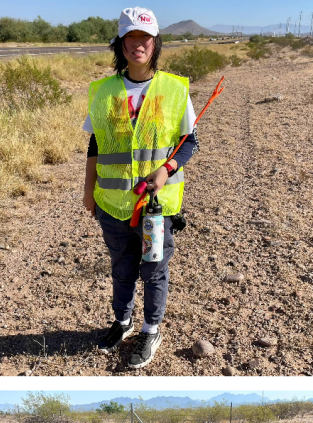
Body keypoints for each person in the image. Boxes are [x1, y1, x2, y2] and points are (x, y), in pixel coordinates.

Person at [83, 6, 199, 369]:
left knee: (153, 269)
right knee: (121, 268)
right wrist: (88, 191)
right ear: (120, 44)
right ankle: (123, 321)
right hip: (112, 203)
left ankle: (151, 328)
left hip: (154, 207)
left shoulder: (174, 89)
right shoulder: (103, 92)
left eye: (145, 37)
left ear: (155, 42)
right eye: (131, 37)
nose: (138, 44)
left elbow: (189, 142)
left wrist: (167, 169)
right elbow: (96, 144)